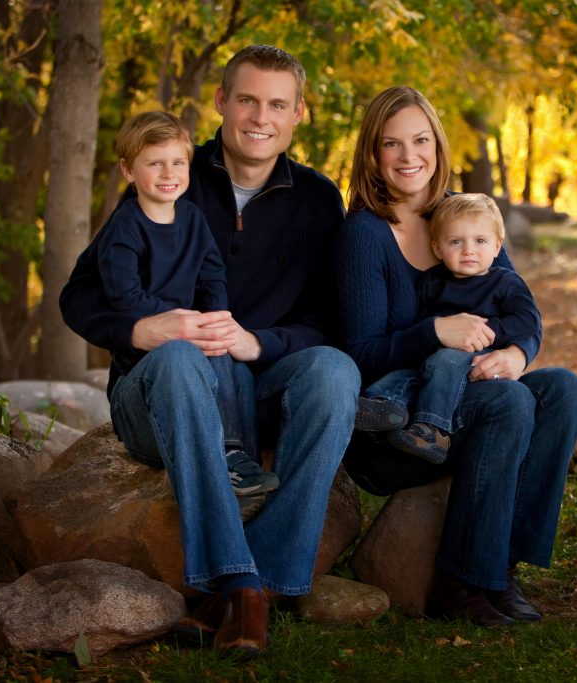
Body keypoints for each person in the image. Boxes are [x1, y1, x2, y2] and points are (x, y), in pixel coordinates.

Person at [60, 45, 358, 658]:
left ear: (299, 113)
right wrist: (140, 332)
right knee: (176, 358)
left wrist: (257, 342)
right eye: (246, 99)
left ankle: (260, 583)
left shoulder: (318, 199)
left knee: (335, 371)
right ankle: (241, 582)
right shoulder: (167, 172)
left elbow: (330, 322)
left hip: (259, 381)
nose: (259, 116)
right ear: (221, 102)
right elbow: (79, 297)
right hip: (160, 392)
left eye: (277, 104)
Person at [336, 85, 577, 627]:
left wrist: (519, 354)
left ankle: (502, 570)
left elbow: (521, 307)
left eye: (420, 140)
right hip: (397, 426)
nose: (409, 157)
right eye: (392, 144)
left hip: (468, 400)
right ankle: (460, 582)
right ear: (373, 154)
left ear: (438, 144)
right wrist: (435, 331)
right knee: (507, 405)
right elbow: (360, 354)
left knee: (563, 388)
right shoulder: (364, 234)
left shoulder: (465, 217)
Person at [70, 110, 277, 496]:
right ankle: (219, 464)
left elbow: (212, 272)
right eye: (155, 164)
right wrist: (171, 323)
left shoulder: (192, 219)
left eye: (178, 163)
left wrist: (214, 317)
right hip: (146, 363)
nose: (169, 174)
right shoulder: (125, 228)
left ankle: (233, 454)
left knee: (220, 347)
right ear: (128, 170)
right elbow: (123, 296)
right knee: (187, 351)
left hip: (188, 335)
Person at [358, 192, 542, 465]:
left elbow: (527, 321)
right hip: (435, 358)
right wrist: (431, 333)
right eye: (456, 242)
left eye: (480, 241)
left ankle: (435, 431)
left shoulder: (506, 282)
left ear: (497, 246)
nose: (468, 250)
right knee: (412, 371)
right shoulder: (433, 282)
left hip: (476, 358)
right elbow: (418, 323)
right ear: (437, 248)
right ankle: (382, 405)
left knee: (446, 360)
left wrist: (486, 331)